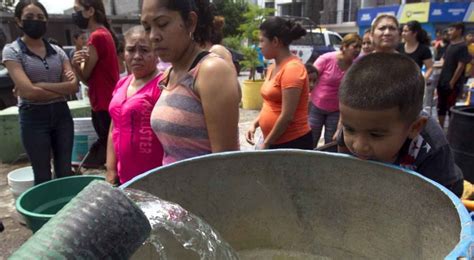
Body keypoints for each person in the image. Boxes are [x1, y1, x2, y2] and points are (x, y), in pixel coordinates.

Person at [337, 53, 463, 197]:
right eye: (349, 129)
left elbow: (438, 202)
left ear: (414, 127)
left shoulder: (433, 148)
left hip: (438, 188)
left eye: (375, 134)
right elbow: (346, 169)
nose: (358, 146)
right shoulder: (356, 125)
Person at [142, 0, 240, 165]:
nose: (153, 36)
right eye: (147, 28)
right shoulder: (168, 75)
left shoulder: (211, 71)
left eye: (162, 24)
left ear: (190, 22)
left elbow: (226, 164)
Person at [2, 0, 78, 185]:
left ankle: (65, 209)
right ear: (19, 21)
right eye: (29, 17)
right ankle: (47, 211)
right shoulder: (12, 52)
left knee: (64, 170)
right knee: (42, 173)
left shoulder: (58, 52)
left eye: (40, 17)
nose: (35, 21)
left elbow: (73, 86)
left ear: (46, 21)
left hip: (61, 115)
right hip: (34, 118)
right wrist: (59, 90)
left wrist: (40, 84)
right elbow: (28, 92)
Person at [106, 26, 163, 185]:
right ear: (123, 54)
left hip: (154, 177)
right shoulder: (121, 84)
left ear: (156, 54)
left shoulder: (162, 85)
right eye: (131, 50)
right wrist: (110, 170)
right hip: (123, 176)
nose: (137, 56)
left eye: (144, 50)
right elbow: (113, 130)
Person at [245, 16, 312, 150]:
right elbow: (271, 104)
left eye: (262, 41)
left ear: (275, 41)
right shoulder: (272, 67)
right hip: (275, 140)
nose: (259, 46)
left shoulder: (292, 69)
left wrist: (267, 143)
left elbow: (287, 116)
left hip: (292, 142)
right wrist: (255, 123)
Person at [70, 0, 120, 166]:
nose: (74, 14)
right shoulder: (105, 34)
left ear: (90, 11)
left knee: (108, 149)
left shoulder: (97, 36)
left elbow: (86, 76)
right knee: (110, 145)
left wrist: (76, 65)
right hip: (107, 99)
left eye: (77, 10)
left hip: (102, 103)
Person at [308, 33, 361, 147]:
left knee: (331, 143)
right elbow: (310, 77)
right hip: (316, 107)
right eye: (355, 46)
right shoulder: (326, 59)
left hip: (336, 110)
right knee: (311, 139)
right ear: (344, 46)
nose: (357, 50)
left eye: (359, 47)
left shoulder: (355, 67)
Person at [437, 22, 471, 128]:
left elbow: (460, 67)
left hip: (452, 84)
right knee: (440, 106)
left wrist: (452, 82)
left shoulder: (463, 47)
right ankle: (441, 128)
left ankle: (452, 130)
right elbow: (443, 62)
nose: (449, 32)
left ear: (459, 30)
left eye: (452, 30)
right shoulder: (450, 45)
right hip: (442, 80)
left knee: (450, 108)